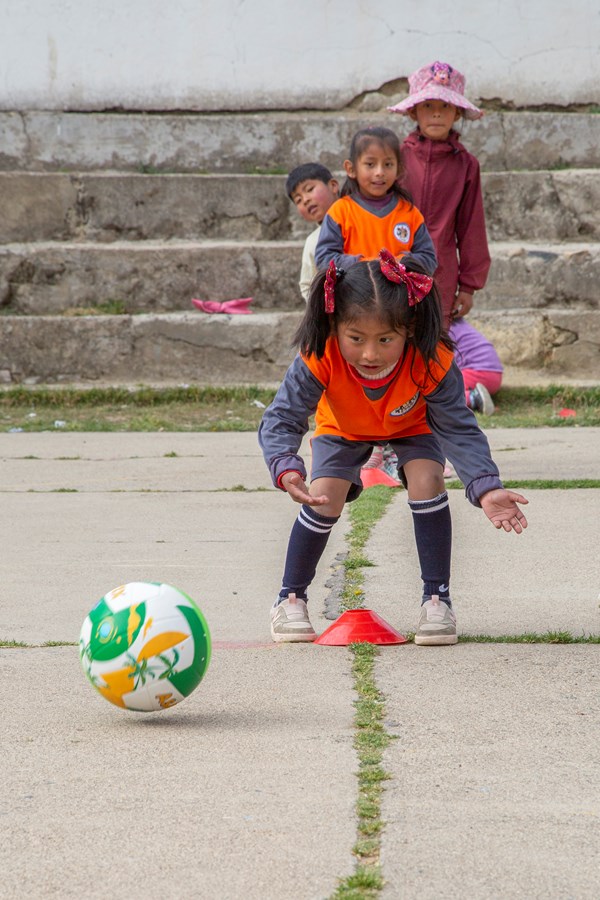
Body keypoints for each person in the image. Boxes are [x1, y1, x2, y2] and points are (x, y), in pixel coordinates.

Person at [258, 250, 528, 646]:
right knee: (323, 495)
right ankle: (290, 597)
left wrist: (485, 486)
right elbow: (282, 417)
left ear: (410, 329)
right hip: (343, 426)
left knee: (427, 478)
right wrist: (287, 465)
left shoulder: (431, 358)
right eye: (356, 339)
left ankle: (437, 599)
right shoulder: (320, 354)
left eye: (385, 339)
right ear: (334, 328)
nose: (370, 354)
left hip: (412, 423)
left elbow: (458, 428)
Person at [388, 60, 491, 327]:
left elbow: (471, 227)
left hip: (441, 273)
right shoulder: (394, 158)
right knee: (391, 333)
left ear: (457, 113)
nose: (436, 114)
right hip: (393, 265)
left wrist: (468, 286)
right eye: (428, 106)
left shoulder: (466, 165)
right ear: (413, 112)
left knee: (433, 342)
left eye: (445, 106)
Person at [314, 126, 437, 276]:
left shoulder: (410, 213)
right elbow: (323, 259)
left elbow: (429, 260)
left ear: (399, 169)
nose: (379, 172)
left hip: (400, 298)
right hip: (354, 296)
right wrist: (364, 266)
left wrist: (401, 263)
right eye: (370, 164)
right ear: (351, 169)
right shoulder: (340, 212)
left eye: (388, 164)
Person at [285, 162, 340, 301]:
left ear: (333, 186)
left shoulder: (359, 217)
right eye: (298, 200)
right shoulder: (313, 241)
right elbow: (307, 285)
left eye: (309, 189)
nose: (305, 200)